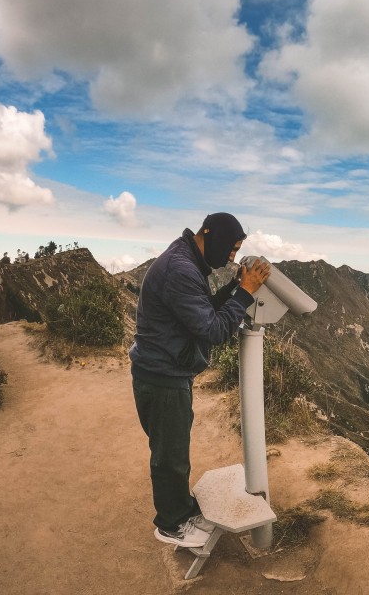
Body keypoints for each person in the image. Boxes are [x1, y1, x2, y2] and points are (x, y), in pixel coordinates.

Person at [130, 213, 271, 548]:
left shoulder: (184, 260)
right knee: (170, 456)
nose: (231, 258)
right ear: (216, 238)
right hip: (163, 377)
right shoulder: (180, 270)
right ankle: (171, 524)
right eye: (232, 249)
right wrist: (246, 292)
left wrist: (235, 288)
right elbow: (214, 329)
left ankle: (180, 510)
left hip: (164, 371)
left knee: (173, 449)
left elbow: (202, 310)